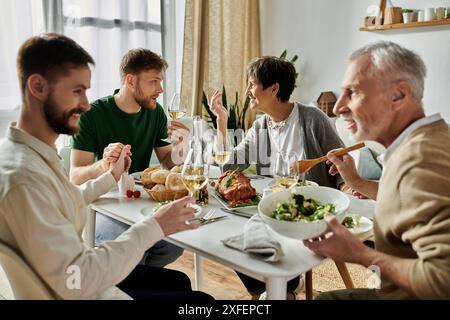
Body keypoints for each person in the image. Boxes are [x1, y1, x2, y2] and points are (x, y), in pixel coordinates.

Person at [0, 33, 212, 300]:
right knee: (202, 302)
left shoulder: (31, 155)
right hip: (87, 289)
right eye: (77, 91)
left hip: (85, 278)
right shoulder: (22, 179)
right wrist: (152, 227)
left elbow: (64, 201)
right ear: (38, 87)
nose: (86, 104)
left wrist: (111, 175)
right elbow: (76, 281)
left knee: (180, 281)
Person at [305, 41, 450, 299]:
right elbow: (406, 199)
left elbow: (443, 280)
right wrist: (357, 182)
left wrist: (360, 254)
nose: (338, 108)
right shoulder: (424, 141)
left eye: (353, 92)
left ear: (398, 96)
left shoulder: (420, 158)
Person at [208, 56, 347, 299]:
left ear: (274, 88)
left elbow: (340, 162)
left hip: (309, 211)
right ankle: (280, 290)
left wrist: (347, 186)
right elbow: (229, 166)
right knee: (230, 234)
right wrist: (221, 121)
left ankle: (283, 288)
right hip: (275, 207)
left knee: (249, 232)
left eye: (252, 84)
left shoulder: (313, 119)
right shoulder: (262, 126)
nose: (248, 91)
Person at [70, 48, 189, 268]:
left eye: (160, 81)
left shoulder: (156, 112)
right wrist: (104, 166)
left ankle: (132, 281)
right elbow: (75, 176)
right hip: (102, 206)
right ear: (131, 80)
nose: (160, 89)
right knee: (134, 250)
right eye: (153, 81)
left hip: (137, 202)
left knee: (173, 246)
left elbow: (168, 163)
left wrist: (181, 146)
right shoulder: (91, 115)